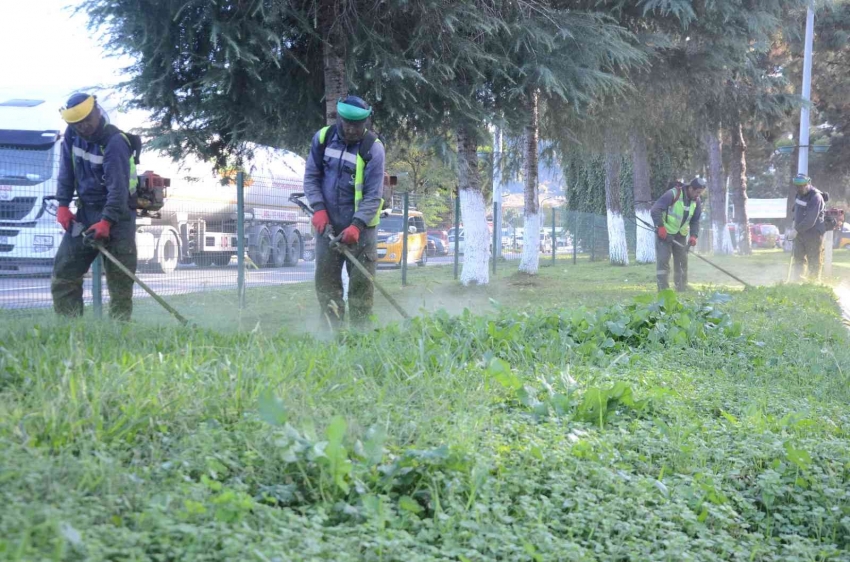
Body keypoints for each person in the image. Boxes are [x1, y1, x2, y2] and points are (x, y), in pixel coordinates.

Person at [51, 93, 139, 320]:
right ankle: (69, 329)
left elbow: (118, 190)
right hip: (86, 212)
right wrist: (63, 204)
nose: (83, 126)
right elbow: (66, 172)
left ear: (97, 111)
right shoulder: (72, 135)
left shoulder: (115, 141)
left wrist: (107, 221)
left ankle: (119, 331)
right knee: (64, 274)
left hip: (118, 216)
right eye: (77, 122)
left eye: (87, 119)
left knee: (120, 281)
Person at [303, 95, 385, 329]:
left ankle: (361, 336)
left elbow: (373, 195)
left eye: (357, 125)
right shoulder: (323, 138)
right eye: (347, 122)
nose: (351, 129)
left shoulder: (373, 149)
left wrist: (357, 225)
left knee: (361, 287)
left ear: (366, 122)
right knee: (327, 285)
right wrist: (318, 209)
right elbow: (311, 177)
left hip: (362, 230)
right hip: (326, 226)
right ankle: (332, 335)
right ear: (339, 118)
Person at [650, 177, 706, 292]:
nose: (698, 195)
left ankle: (681, 288)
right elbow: (655, 210)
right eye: (697, 192)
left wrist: (693, 235)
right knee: (663, 261)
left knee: (681, 262)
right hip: (664, 234)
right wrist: (660, 227)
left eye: (700, 193)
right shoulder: (673, 194)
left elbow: (695, 220)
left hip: (680, 235)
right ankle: (663, 289)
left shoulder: (697, 201)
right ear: (690, 188)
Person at [787, 173, 825, 281]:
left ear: (808, 183)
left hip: (814, 234)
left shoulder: (815, 197)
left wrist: (796, 230)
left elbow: (810, 220)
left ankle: (813, 283)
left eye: (802, 186)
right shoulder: (799, 194)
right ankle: (798, 281)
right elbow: (796, 210)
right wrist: (794, 225)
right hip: (800, 233)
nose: (800, 188)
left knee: (813, 260)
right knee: (798, 258)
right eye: (798, 186)